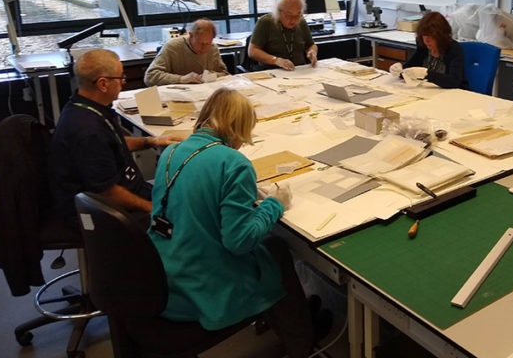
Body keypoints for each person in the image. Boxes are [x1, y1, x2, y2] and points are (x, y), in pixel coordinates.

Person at [148, 87, 316, 358]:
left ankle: (282, 321)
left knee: (273, 250)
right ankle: (300, 343)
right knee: (277, 250)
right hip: (205, 283)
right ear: (237, 127)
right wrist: (275, 205)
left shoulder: (172, 152)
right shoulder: (233, 163)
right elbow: (239, 242)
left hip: (164, 267)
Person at [49, 49, 181, 230]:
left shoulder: (86, 107)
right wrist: (152, 208)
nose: (124, 82)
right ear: (103, 84)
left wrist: (152, 141)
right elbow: (108, 193)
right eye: (120, 77)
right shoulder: (87, 131)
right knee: (183, 224)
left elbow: (112, 143)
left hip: (128, 192)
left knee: (185, 200)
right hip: (106, 213)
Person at [391, 11, 468, 89]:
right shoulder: (423, 45)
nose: (426, 41)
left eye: (430, 37)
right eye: (424, 36)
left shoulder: (453, 49)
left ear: (441, 36)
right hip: (428, 91)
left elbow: (454, 82)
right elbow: (410, 67)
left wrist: (426, 74)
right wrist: (399, 69)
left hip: (450, 93)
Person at [144, 18, 229, 86]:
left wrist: (210, 75)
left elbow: (224, 74)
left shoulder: (212, 48)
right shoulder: (172, 47)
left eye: (208, 43)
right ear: (191, 35)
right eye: (201, 43)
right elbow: (150, 77)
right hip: (177, 95)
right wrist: (181, 79)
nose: (204, 48)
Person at [248, 0, 318, 71]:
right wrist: (276, 60)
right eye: (289, 15)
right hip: (273, 71)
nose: (293, 20)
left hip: (299, 70)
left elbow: (311, 45)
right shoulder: (265, 22)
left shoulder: (301, 22)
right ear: (279, 11)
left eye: (297, 15)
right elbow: (252, 51)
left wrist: (312, 51)